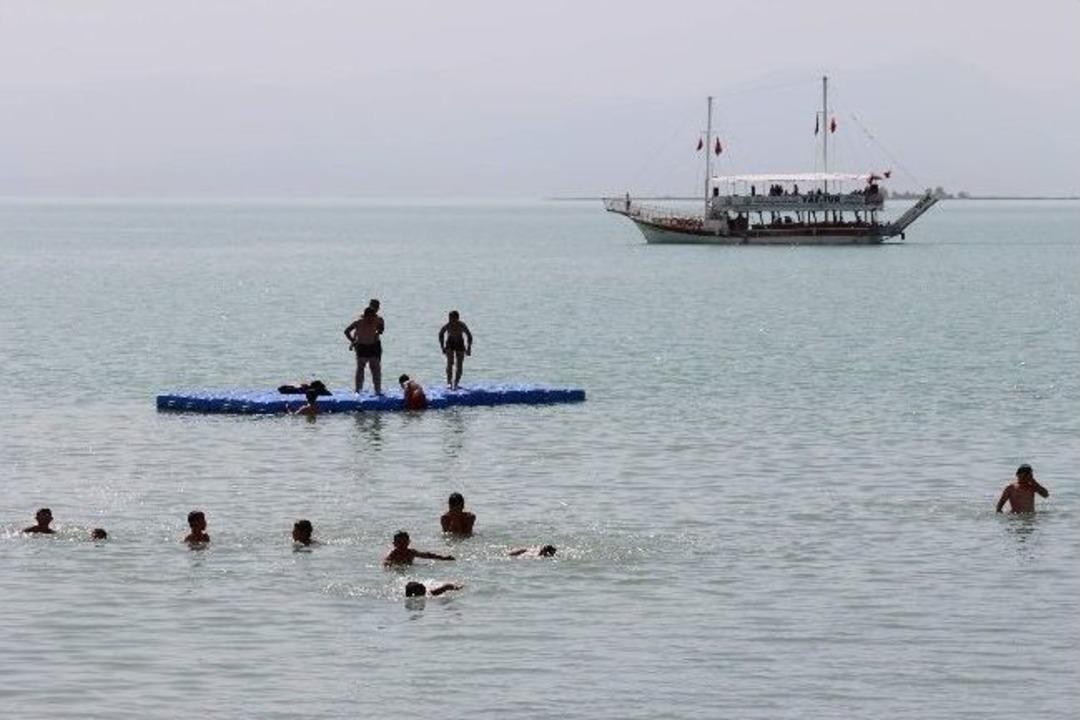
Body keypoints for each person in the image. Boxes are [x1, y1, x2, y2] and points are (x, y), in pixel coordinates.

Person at [344, 306, 383, 395]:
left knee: (376, 369)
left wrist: (377, 333)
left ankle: (377, 390)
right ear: (365, 316)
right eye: (368, 317)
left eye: (372, 317)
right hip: (362, 347)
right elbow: (346, 331)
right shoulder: (358, 322)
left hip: (373, 346)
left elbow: (381, 328)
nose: (370, 319)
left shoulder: (377, 320)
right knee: (360, 368)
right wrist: (353, 341)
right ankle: (358, 390)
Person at [438, 310, 473, 390]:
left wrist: (469, 348)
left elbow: (469, 336)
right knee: (450, 363)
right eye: (450, 318)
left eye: (452, 319)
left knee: (459, 364)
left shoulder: (462, 325)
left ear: (457, 318)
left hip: (459, 343)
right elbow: (441, 334)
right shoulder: (448, 325)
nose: (451, 320)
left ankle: (456, 383)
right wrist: (442, 347)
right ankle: (449, 383)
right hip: (450, 343)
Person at [383, 530, 454, 567]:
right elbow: (386, 562)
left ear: (408, 542)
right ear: (394, 544)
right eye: (399, 542)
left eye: (404, 542)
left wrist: (443, 558)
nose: (402, 544)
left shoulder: (411, 552)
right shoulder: (393, 554)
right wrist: (388, 564)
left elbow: (427, 555)